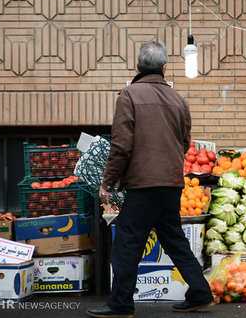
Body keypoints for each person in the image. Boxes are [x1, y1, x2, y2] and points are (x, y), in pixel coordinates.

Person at [87, 42, 213, 318]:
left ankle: (120, 304)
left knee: (127, 243)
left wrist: (107, 183)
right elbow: (184, 144)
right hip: (171, 184)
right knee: (174, 239)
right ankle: (201, 293)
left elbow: (120, 146)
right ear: (165, 67)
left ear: (137, 67)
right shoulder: (179, 100)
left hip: (143, 186)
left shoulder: (129, 96)